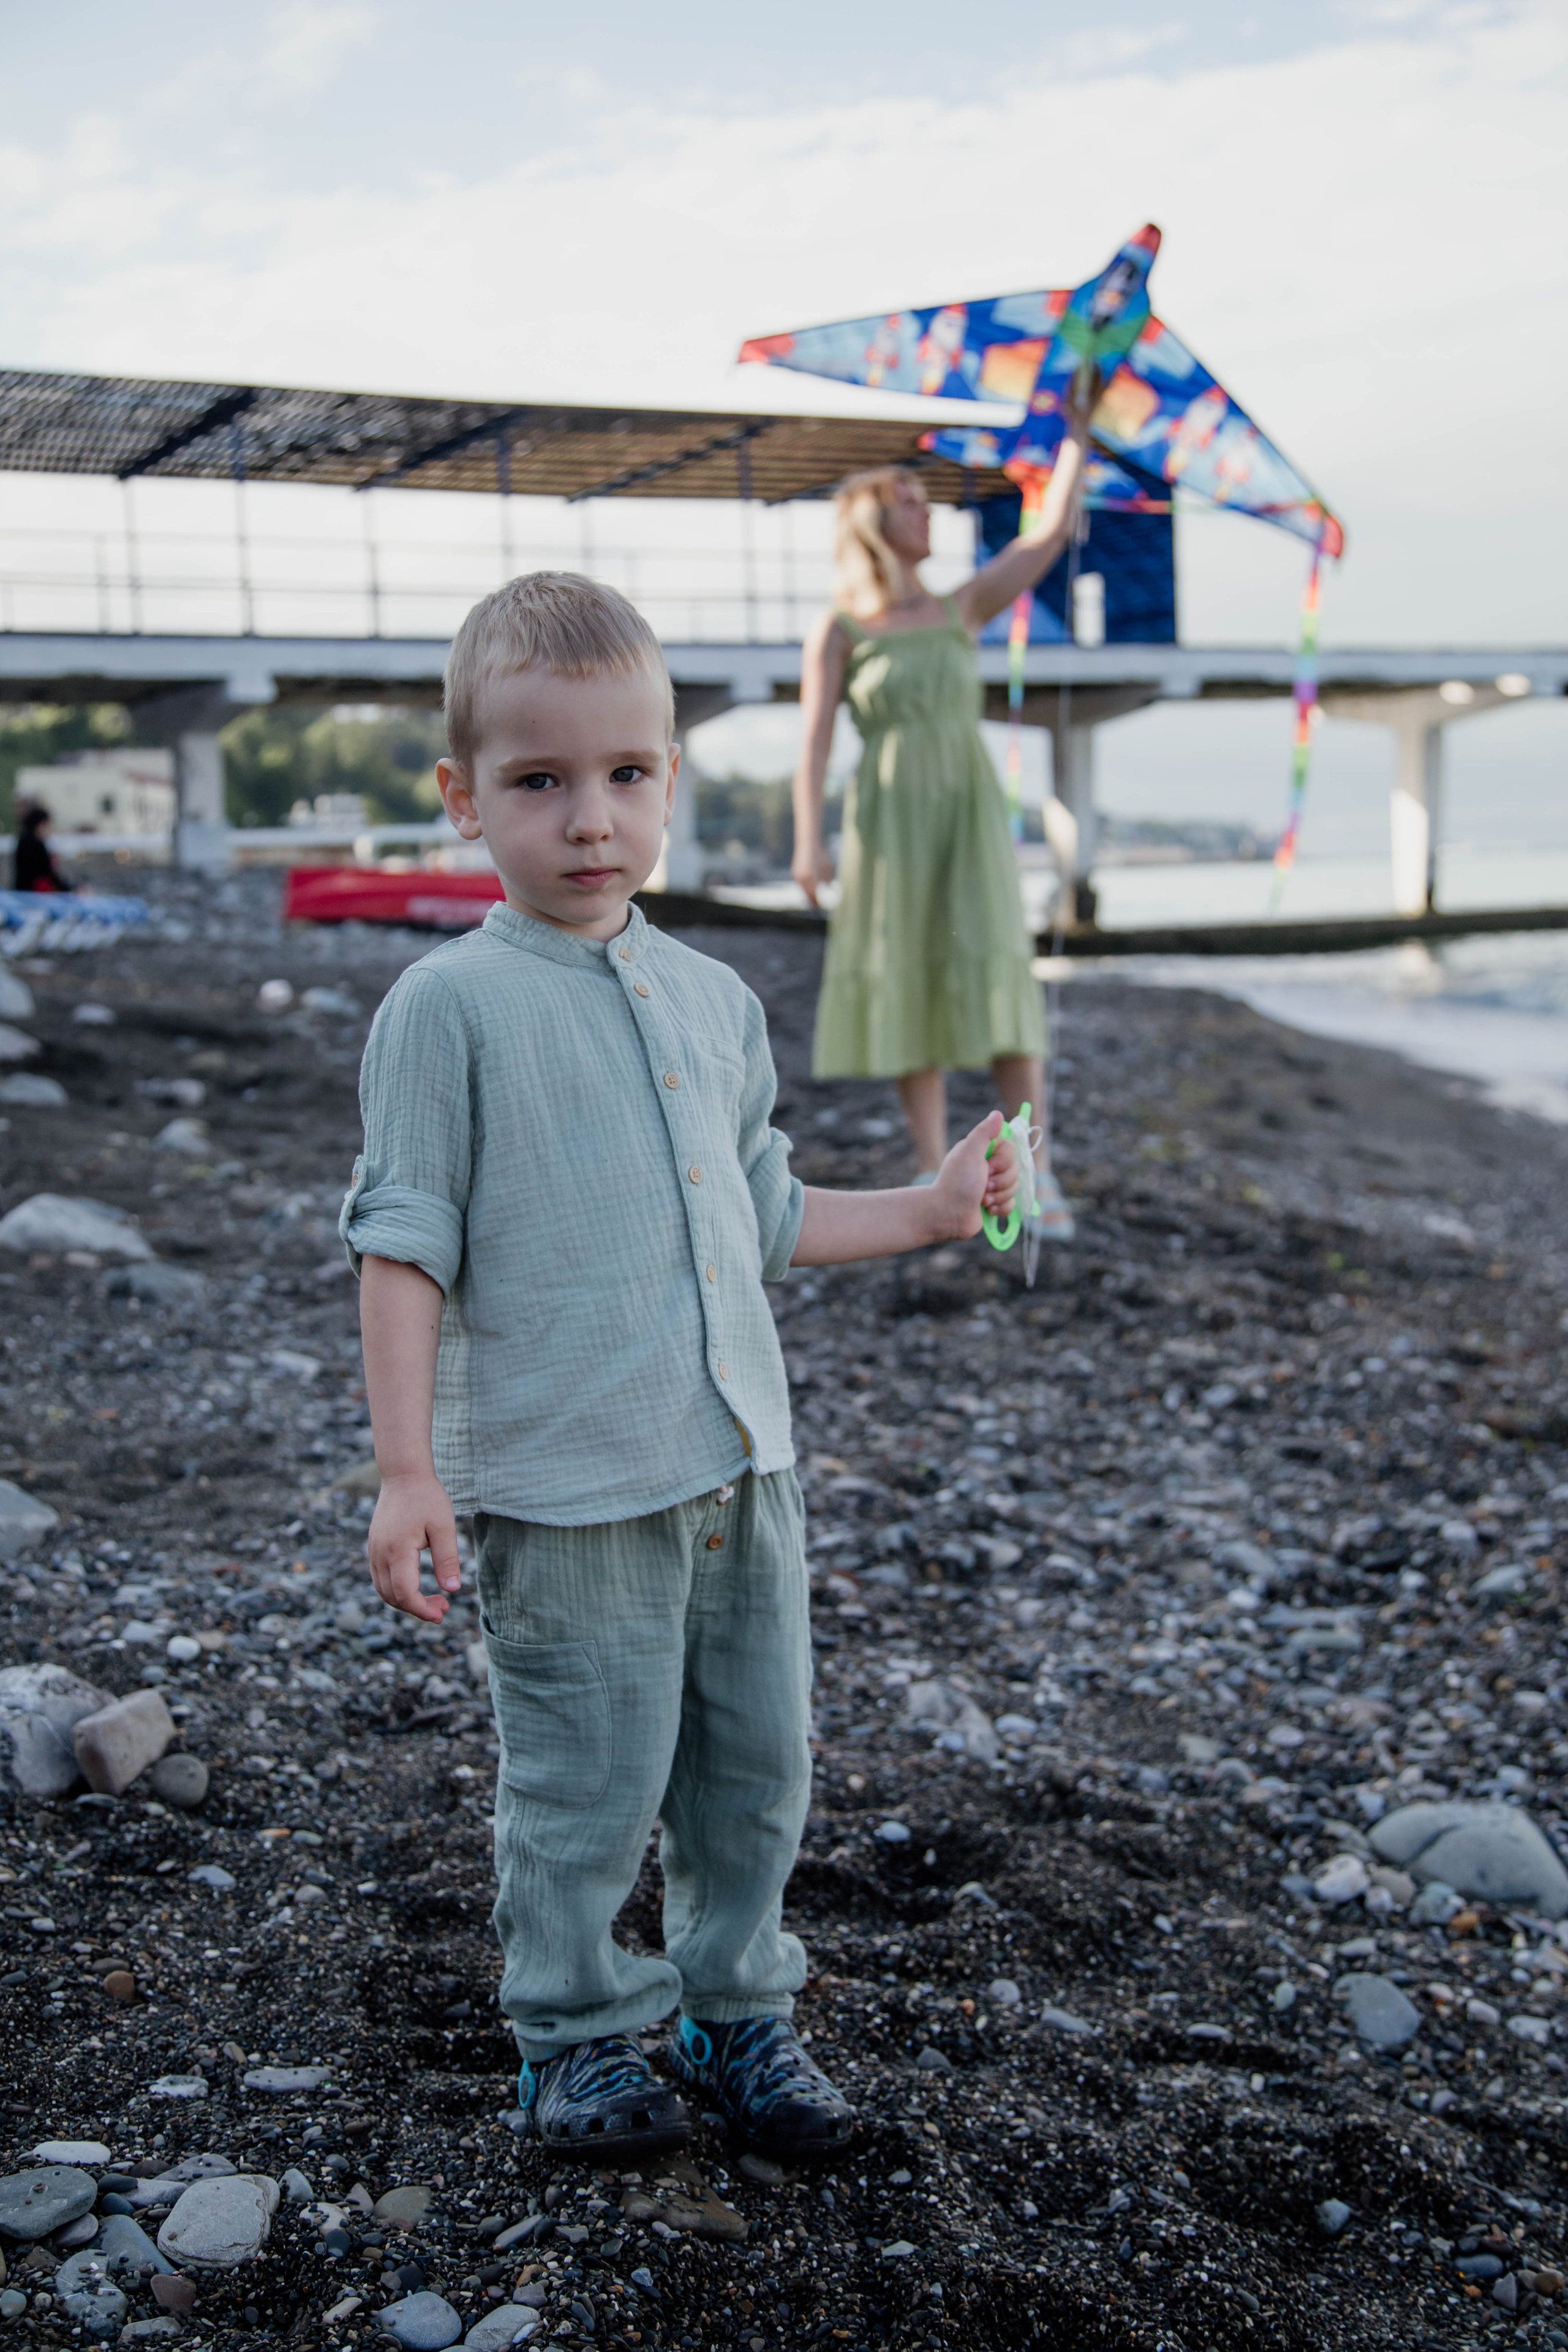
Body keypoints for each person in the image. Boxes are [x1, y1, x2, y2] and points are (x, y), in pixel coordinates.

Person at [341, 571, 1019, 2164]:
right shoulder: (446, 1009)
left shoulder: (713, 1001)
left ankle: (739, 2017)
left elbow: (767, 1214)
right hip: (569, 1494)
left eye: (628, 775)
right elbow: (402, 1247)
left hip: (741, 1474)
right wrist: (409, 1470)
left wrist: (928, 1208)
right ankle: (576, 2034)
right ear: (462, 800)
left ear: (671, 781)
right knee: (583, 1784)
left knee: (754, 1772)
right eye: (540, 780)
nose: (592, 818)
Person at [791, 412, 1091, 1238]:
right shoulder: (842, 629)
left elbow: (1052, 532)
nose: (928, 515)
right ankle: (934, 1168)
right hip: (889, 818)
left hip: (966, 808)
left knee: (996, 966)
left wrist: (1079, 428)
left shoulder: (964, 607)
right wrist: (807, 840)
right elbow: (813, 744)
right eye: (912, 502)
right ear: (875, 525)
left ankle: (1034, 1168)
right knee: (906, 972)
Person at [12, 802, 74, 894]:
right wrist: (69, 889)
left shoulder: (23, 842)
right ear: (40, 825)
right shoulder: (36, 846)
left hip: (24, 892)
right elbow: (47, 873)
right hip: (34, 894)